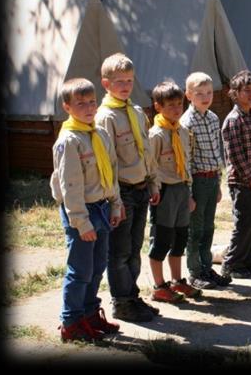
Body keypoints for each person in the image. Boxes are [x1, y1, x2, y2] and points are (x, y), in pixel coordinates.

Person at [51, 78, 123, 342]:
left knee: (97, 266)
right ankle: (71, 323)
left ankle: (90, 314)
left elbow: (111, 172)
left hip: (102, 207)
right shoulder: (69, 141)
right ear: (67, 107)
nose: (88, 107)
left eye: (92, 101)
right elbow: (69, 186)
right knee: (80, 269)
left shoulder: (100, 133)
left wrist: (116, 203)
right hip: (81, 212)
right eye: (80, 103)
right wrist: (81, 222)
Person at [95, 53, 159, 323]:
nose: (125, 86)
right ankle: (121, 302)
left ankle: (132, 296)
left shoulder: (135, 111)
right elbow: (107, 163)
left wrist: (153, 182)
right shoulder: (105, 117)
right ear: (106, 83)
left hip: (142, 187)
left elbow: (147, 152)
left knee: (134, 248)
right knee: (119, 251)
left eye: (129, 80)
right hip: (122, 192)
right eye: (119, 81)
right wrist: (115, 200)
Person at [148, 81, 200, 303]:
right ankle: (159, 286)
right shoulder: (156, 134)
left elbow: (186, 165)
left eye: (179, 104)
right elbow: (151, 167)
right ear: (158, 107)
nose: (177, 109)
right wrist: (155, 190)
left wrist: (189, 194)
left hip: (181, 190)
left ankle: (178, 281)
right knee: (162, 239)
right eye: (170, 105)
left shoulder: (183, 131)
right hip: (165, 192)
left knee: (180, 239)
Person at [179, 72, 232, 290]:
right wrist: (189, 193)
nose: (205, 97)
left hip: (211, 179)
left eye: (209, 92)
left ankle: (207, 266)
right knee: (196, 229)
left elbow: (216, 152)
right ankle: (194, 272)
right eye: (199, 93)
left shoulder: (212, 118)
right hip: (198, 181)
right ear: (189, 95)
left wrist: (219, 183)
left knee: (209, 227)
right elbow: (187, 160)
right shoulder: (186, 123)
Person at [220, 71, 251, 279]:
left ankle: (249, 259)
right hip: (242, 181)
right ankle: (232, 262)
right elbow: (235, 154)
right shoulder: (233, 120)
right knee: (244, 222)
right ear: (235, 93)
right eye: (246, 91)